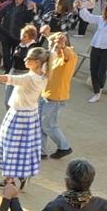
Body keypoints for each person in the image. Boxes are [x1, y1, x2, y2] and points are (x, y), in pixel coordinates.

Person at [0, 55, 44, 185]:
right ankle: (21, 176)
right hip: (31, 116)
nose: (25, 60)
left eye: (28, 59)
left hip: (18, 115)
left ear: (37, 62)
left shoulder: (28, 78)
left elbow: (10, 78)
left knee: (10, 147)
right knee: (25, 148)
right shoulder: (44, 76)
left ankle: (10, 180)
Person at [37, 29, 80, 158]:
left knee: (48, 125)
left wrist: (62, 46)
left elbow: (67, 54)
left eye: (55, 45)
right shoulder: (53, 56)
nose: (52, 47)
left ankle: (64, 147)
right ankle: (41, 151)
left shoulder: (70, 56)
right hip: (45, 95)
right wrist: (47, 35)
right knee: (40, 124)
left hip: (56, 97)